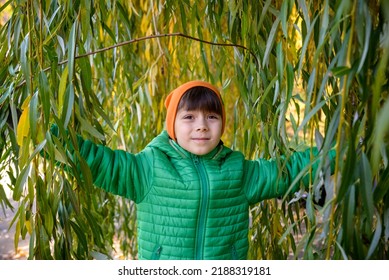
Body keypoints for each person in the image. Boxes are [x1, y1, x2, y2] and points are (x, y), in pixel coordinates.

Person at [53, 80, 335, 260]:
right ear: (171, 125)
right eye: (189, 117)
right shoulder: (149, 167)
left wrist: (338, 154)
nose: (202, 125)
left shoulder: (238, 170)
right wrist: (43, 135)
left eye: (212, 117)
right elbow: (98, 162)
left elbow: (286, 171)